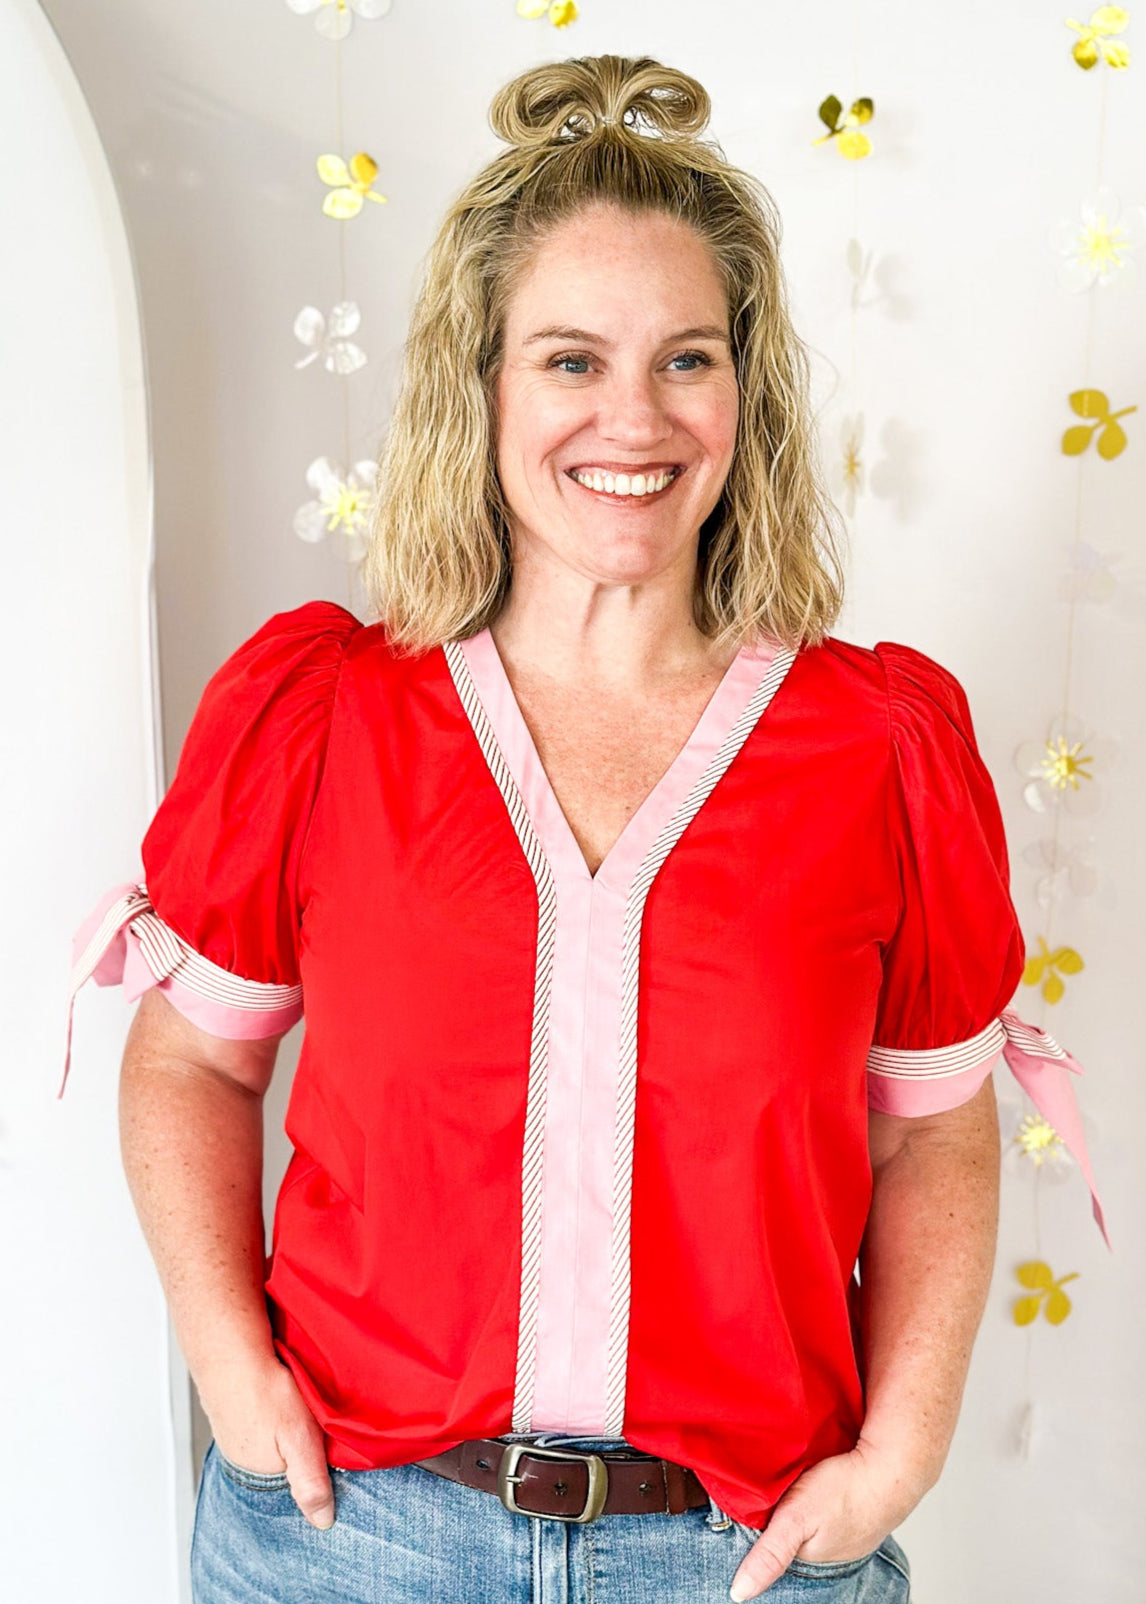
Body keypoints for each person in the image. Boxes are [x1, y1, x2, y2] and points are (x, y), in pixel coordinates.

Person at [62, 52, 1107, 1604]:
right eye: (568, 360)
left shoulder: (876, 746)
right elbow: (196, 1057)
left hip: (735, 1553)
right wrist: (232, 1374)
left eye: (686, 358)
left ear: (743, 393)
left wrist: (897, 1455)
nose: (634, 416)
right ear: (476, 383)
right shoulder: (327, 715)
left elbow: (932, 1124)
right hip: (353, 1539)